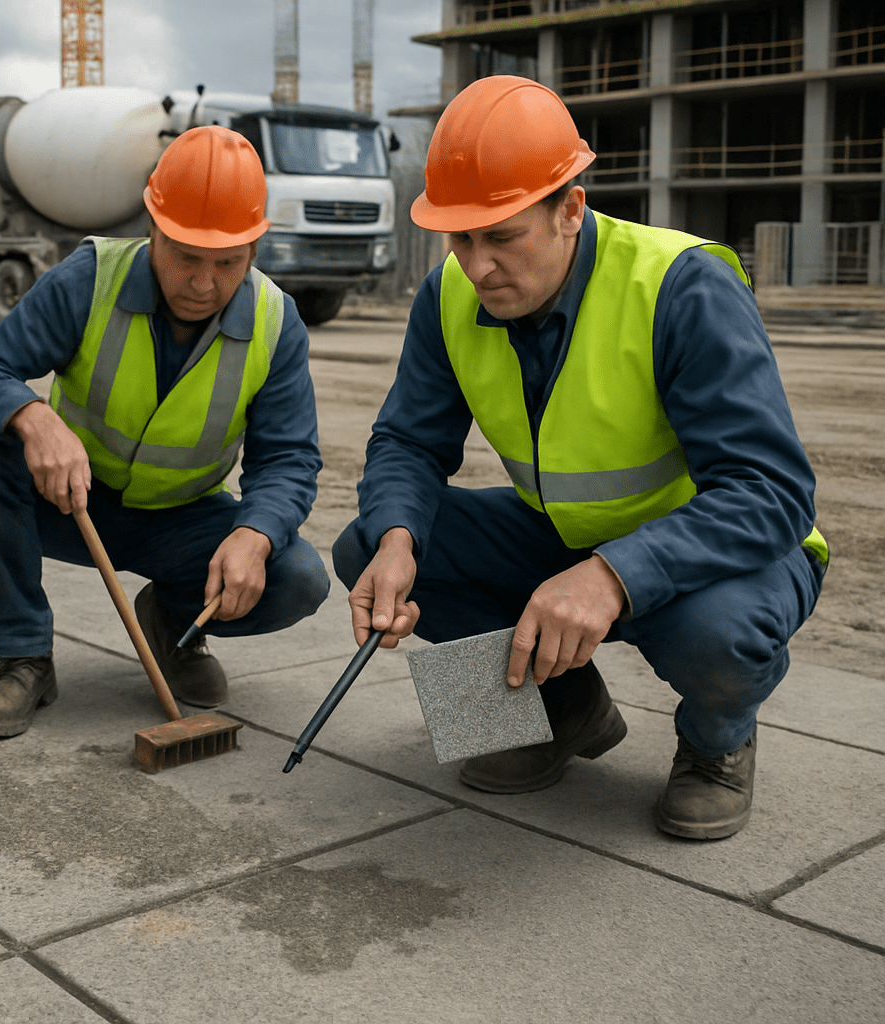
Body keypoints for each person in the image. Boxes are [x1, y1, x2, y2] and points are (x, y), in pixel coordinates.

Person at [333, 76, 826, 840]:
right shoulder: (447, 297)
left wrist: (613, 575)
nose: (477, 266)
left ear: (571, 208)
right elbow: (406, 441)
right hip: (564, 535)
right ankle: (555, 716)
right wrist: (398, 537)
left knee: (716, 637)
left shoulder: (682, 283)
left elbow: (773, 491)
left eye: (502, 236)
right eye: (460, 238)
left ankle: (715, 744)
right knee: (365, 545)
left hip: (722, 551)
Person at [0, 125, 329, 737]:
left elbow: (288, 460)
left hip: (180, 523)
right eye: (186, 257)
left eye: (228, 263)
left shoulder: (277, 322)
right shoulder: (91, 277)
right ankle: (22, 656)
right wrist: (32, 417)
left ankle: (176, 627)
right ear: (153, 228)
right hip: (69, 502)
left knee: (296, 577)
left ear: (256, 244)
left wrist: (254, 535)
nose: (205, 284)